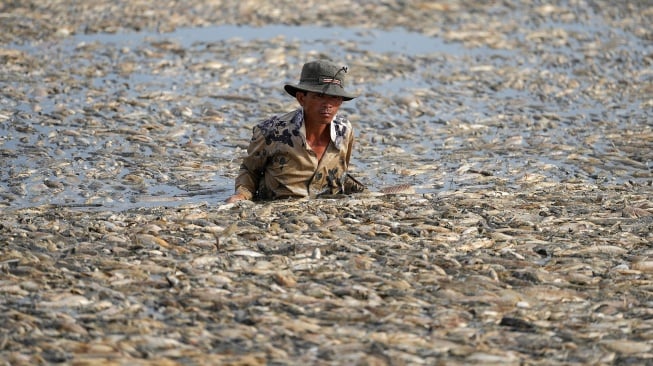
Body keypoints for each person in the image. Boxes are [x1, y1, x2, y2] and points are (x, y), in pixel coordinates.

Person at [225, 59, 365, 203]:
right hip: (279, 209)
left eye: (334, 97)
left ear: (341, 101)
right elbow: (249, 171)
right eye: (319, 96)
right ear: (301, 98)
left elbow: (342, 173)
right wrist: (241, 196)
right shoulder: (271, 132)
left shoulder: (345, 131)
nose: (328, 105)